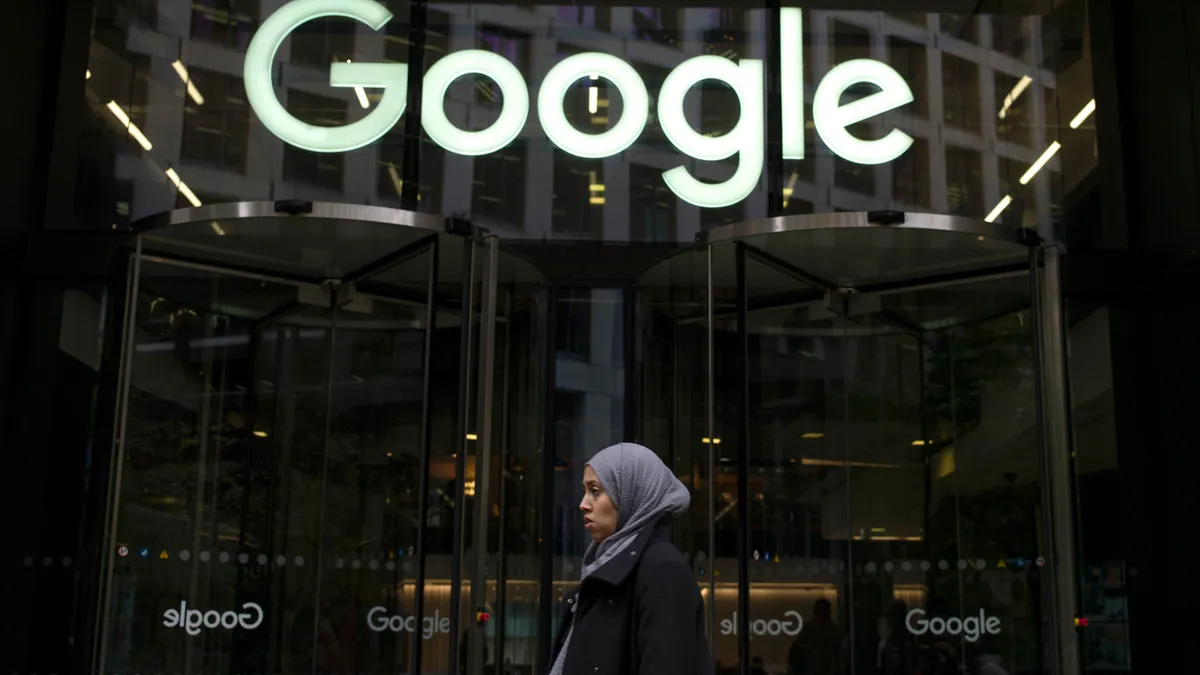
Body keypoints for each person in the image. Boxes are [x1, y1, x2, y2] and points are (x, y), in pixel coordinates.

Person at [548, 442, 714, 675]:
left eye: (595, 491)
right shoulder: (604, 570)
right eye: (585, 491)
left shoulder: (662, 571)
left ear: (630, 493)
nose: (583, 504)